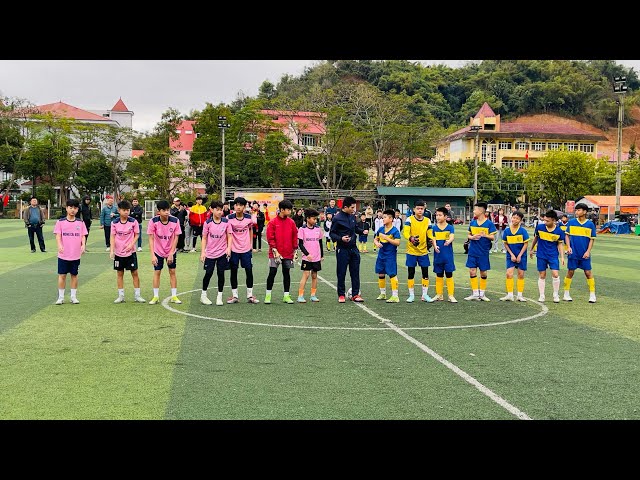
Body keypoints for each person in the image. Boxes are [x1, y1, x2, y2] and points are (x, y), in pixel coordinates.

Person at [330, 196, 367, 303]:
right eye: (352, 207)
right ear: (345, 207)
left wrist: (362, 231)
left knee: (355, 272)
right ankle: (341, 295)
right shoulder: (337, 218)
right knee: (341, 272)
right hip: (342, 249)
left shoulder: (352, 217)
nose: (353, 209)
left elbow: (355, 228)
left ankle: (355, 294)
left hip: (354, 249)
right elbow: (332, 233)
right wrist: (341, 239)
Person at [147, 199, 182, 305]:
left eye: (168, 210)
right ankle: (155, 296)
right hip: (158, 251)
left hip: (170, 250)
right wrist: (153, 255)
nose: (167, 212)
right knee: (157, 272)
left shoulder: (175, 221)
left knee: (172, 271)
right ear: (159, 211)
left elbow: (176, 238)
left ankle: (174, 296)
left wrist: (171, 253)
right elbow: (151, 238)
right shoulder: (153, 221)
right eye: (164, 210)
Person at [110, 200, 145, 304]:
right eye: (124, 210)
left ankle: (137, 295)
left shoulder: (133, 221)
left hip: (131, 252)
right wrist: (112, 250)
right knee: (120, 273)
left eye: (128, 210)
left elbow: (137, 234)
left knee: (135, 273)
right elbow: (112, 236)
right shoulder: (114, 223)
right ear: (119, 211)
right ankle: (121, 296)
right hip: (118, 253)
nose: (126, 212)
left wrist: (131, 244)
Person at [53, 198, 87, 304]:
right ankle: (61, 297)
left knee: (74, 275)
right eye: (70, 207)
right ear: (66, 208)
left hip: (75, 254)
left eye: (75, 208)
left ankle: (73, 296)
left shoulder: (80, 222)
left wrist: (83, 245)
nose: (73, 210)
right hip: (63, 254)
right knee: (62, 275)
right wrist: (59, 245)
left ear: (77, 209)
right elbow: (58, 236)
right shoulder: (60, 222)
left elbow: (83, 236)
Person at [264, 200, 298, 304]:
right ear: (282, 210)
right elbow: (270, 238)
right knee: (272, 273)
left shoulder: (291, 222)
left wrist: (295, 250)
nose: (290, 211)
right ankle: (268, 295)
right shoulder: (273, 222)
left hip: (288, 253)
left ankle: (286, 296)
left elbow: (294, 236)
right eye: (288, 209)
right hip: (275, 253)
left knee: (286, 273)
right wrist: (275, 250)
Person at [227, 197, 259, 304]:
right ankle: (235, 295)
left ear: (244, 207)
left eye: (241, 205)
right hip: (234, 249)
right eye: (236, 205)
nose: (238, 207)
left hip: (245, 249)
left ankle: (250, 295)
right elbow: (228, 233)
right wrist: (228, 247)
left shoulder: (249, 218)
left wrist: (250, 244)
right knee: (234, 271)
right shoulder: (229, 218)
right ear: (234, 206)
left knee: (249, 271)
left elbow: (250, 229)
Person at [563, 203, 597, 303]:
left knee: (588, 272)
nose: (577, 212)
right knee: (570, 271)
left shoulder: (590, 224)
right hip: (573, 253)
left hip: (584, 254)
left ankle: (592, 294)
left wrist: (588, 251)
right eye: (576, 210)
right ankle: (566, 293)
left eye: (579, 210)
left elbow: (592, 239)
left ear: (585, 212)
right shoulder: (572, 222)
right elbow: (567, 236)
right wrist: (568, 247)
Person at [529, 210, 565, 303]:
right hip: (541, 255)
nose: (545, 222)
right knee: (542, 275)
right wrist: (531, 249)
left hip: (553, 255)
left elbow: (560, 245)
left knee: (555, 274)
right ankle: (542, 295)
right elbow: (536, 238)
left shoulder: (559, 231)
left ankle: (555, 294)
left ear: (553, 220)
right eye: (544, 220)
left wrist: (562, 257)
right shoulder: (540, 228)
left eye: (547, 221)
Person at [402, 199, 435, 303]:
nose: (420, 210)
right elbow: (405, 233)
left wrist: (432, 241)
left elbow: (430, 234)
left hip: (423, 251)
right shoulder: (409, 220)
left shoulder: (427, 220)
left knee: (425, 273)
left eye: (422, 208)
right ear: (414, 209)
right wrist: (411, 238)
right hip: (411, 251)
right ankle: (411, 295)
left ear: (424, 209)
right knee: (411, 272)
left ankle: (425, 294)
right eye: (418, 208)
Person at [200, 201, 230, 306]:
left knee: (221, 274)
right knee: (208, 273)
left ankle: (219, 296)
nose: (219, 212)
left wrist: (228, 248)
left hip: (222, 253)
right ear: (212, 210)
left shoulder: (226, 222)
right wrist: (203, 252)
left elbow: (229, 236)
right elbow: (204, 238)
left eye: (221, 210)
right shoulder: (207, 223)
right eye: (217, 209)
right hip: (210, 254)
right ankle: (203, 295)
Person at [464, 202, 497, 301]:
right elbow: (469, 235)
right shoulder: (473, 223)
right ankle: (474, 293)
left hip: (483, 252)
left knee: (483, 273)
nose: (474, 211)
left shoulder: (489, 224)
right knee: (472, 271)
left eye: (475, 209)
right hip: (472, 251)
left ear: (481, 210)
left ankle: (482, 294)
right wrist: (472, 237)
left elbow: (492, 237)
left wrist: (484, 235)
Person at [499, 211, 529, 302]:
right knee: (509, 274)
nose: (514, 220)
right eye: (513, 217)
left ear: (520, 220)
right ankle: (510, 295)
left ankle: (520, 295)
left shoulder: (523, 231)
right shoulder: (507, 231)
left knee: (521, 274)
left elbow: (526, 244)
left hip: (521, 256)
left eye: (517, 218)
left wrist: (519, 255)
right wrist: (511, 254)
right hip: (510, 255)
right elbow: (506, 244)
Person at [373, 209, 401, 303]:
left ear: (391, 219)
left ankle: (395, 296)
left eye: (385, 217)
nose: (383, 219)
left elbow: (397, 242)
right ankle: (383, 293)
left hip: (390, 255)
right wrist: (376, 243)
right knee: (381, 273)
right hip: (381, 255)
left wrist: (387, 238)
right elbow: (375, 239)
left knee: (392, 274)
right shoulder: (381, 229)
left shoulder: (394, 230)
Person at [297, 208, 324, 303]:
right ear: (308, 219)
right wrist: (307, 254)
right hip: (307, 257)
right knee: (306, 274)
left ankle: (313, 295)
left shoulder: (318, 229)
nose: (315, 221)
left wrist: (322, 255)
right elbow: (300, 244)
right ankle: (300, 296)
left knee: (314, 275)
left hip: (316, 257)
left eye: (316, 219)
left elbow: (320, 242)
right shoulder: (302, 229)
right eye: (314, 219)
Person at [432, 206, 457, 302]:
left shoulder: (450, 227)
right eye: (436, 215)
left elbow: (452, 237)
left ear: (445, 216)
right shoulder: (434, 228)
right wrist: (435, 246)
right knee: (439, 275)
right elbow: (433, 238)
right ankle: (439, 295)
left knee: (449, 274)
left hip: (448, 256)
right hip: (438, 256)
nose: (438, 217)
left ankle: (451, 295)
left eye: (440, 215)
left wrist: (448, 241)